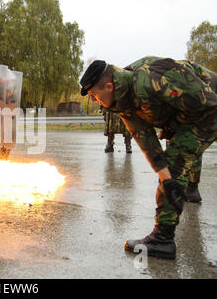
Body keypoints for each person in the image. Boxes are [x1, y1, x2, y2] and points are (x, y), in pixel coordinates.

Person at [80, 56, 217, 259]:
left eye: (93, 94)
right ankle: (182, 205)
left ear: (108, 86)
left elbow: (208, 102)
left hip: (209, 106)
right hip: (195, 113)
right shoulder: (123, 103)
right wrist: (167, 179)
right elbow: (147, 142)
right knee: (171, 170)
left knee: (177, 159)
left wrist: (175, 128)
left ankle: (162, 240)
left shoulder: (150, 80)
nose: (93, 100)